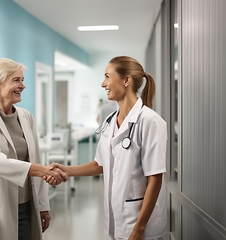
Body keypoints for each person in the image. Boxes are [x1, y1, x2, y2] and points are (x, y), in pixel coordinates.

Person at [47, 56, 167, 240]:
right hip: (114, 221)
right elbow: (100, 164)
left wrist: (138, 230)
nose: (103, 84)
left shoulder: (150, 121)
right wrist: (67, 170)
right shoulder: (110, 121)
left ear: (126, 80)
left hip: (139, 226)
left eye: (107, 76)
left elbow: (155, 178)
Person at [0, 58, 68, 240]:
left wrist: (42, 205)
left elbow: (35, 160)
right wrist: (43, 171)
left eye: (22, 80)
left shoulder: (26, 116)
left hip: (25, 205)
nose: (22, 86)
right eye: (16, 80)